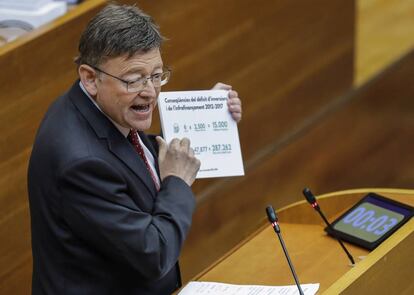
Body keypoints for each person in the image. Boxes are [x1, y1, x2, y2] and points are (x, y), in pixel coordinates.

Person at [27, 3, 242, 295]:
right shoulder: (80, 163)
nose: (150, 91)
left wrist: (203, 116)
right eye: (133, 80)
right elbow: (154, 252)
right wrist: (176, 182)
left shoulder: (87, 104)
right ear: (90, 78)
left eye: (156, 75)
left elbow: (129, 154)